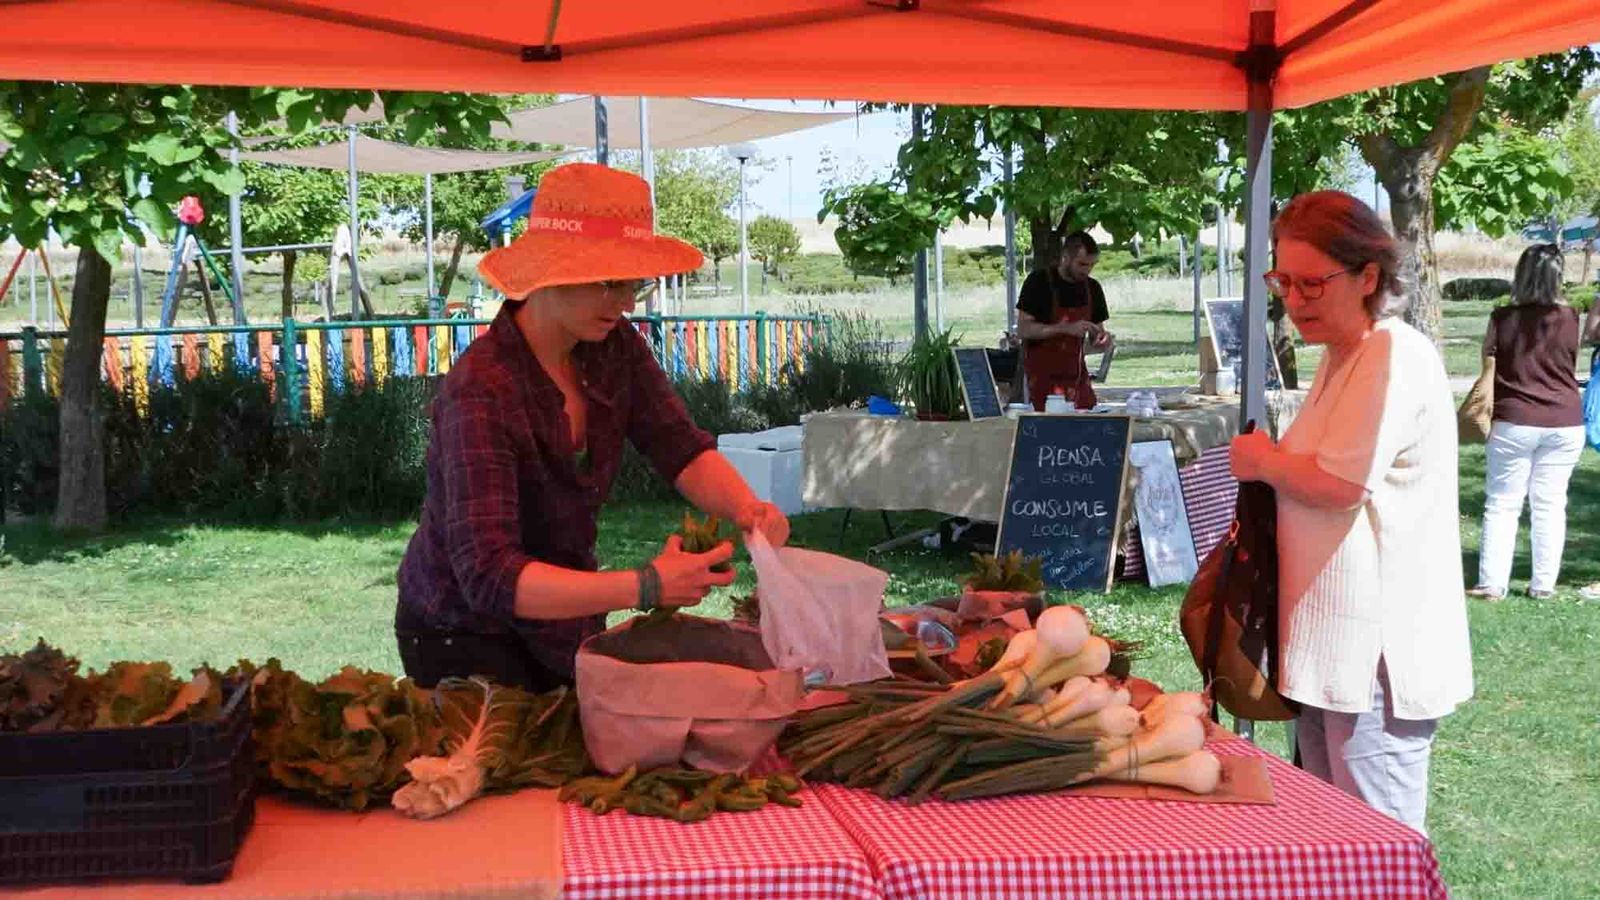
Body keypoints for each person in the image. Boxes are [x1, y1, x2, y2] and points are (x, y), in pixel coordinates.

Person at [396, 162, 790, 692]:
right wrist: (646, 585)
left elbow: (678, 445)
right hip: (462, 636)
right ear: (549, 272)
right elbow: (489, 576)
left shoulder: (613, 345)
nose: (626, 301)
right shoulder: (482, 389)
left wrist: (746, 509)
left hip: (563, 627)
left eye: (634, 283)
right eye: (609, 283)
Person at [1229, 191, 1473, 835]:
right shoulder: (1344, 358)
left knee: (1380, 846)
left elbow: (1341, 484)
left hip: (1377, 654)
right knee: (1332, 842)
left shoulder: (1394, 354)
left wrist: (1260, 461)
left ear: (1369, 277)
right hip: (1329, 647)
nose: (1295, 299)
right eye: (1283, 281)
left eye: (1312, 283)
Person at [1467, 245, 1587, 601]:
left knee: (1502, 503)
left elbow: (1489, 360)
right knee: (1550, 503)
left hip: (1514, 418)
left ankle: (1492, 583)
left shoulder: (1502, 317)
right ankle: (1543, 585)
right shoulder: (1570, 317)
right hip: (1564, 420)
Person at [1016, 231, 1114, 410]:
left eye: (1092, 265)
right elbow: (1023, 329)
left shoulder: (1093, 288)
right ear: (1065, 257)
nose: (1087, 270)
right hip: (1041, 380)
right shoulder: (1039, 282)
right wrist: (1064, 329)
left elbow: (1098, 334)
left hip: (1077, 380)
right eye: (1082, 264)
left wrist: (1102, 339)